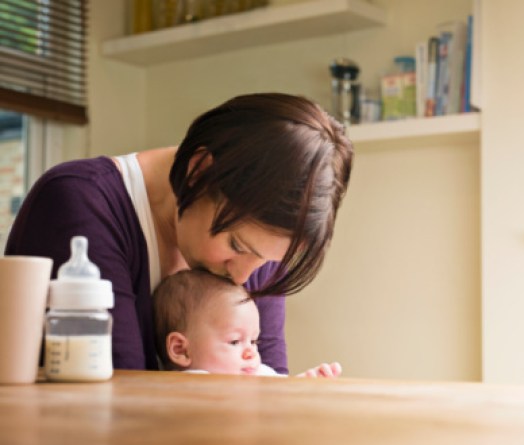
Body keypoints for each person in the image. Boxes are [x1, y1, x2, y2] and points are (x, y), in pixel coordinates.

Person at [5, 93, 353, 374]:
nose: (245, 277)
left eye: (268, 261)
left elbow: (267, 388)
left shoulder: (259, 241)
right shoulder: (82, 202)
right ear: (198, 173)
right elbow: (119, 400)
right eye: (235, 245)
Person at [154, 268, 341, 378]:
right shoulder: (190, 383)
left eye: (253, 341)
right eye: (234, 341)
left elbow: (281, 390)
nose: (251, 352)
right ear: (181, 349)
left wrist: (306, 384)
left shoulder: (253, 372)